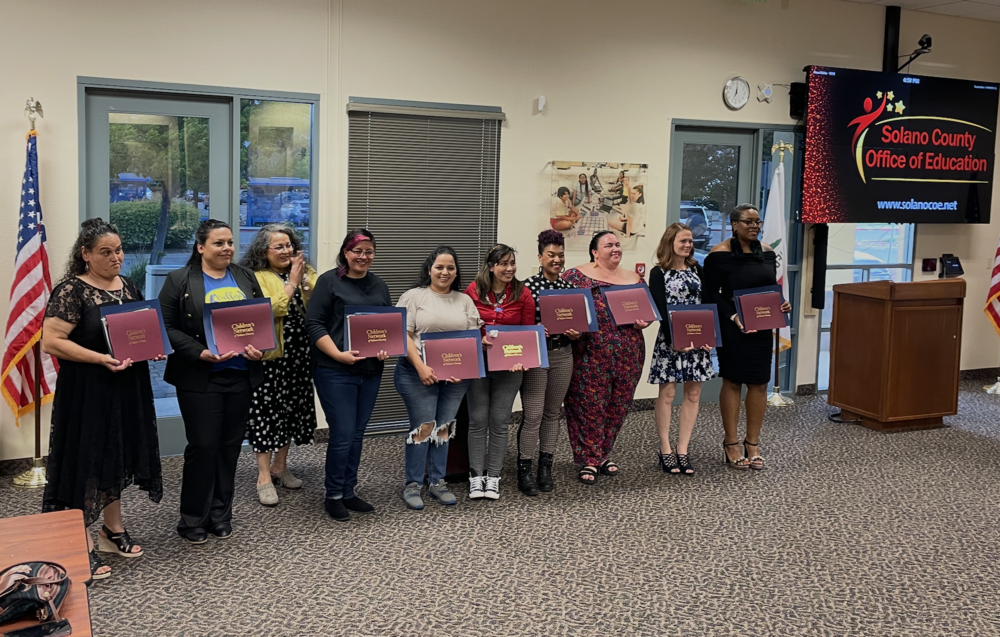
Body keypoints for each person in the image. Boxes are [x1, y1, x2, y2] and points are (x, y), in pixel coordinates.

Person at [41, 218, 162, 581]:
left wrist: (153, 348)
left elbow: (139, 329)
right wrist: (99, 359)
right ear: (86, 255)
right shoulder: (71, 290)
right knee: (86, 460)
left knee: (117, 454)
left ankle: (112, 530)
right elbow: (51, 341)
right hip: (89, 388)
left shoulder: (127, 285)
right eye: (106, 252)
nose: (116, 258)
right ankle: (81, 543)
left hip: (127, 386)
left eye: (119, 250)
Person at [159, 219, 265, 545]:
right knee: (203, 447)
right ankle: (192, 520)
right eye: (219, 243)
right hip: (200, 377)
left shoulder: (245, 276)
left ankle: (221, 515)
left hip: (240, 376)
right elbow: (165, 325)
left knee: (229, 448)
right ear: (200, 247)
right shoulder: (179, 280)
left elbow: (259, 318)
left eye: (230, 242)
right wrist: (199, 351)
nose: (227, 248)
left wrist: (259, 347)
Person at [305, 229, 391, 522]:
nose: (363, 257)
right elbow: (314, 325)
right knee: (342, 434)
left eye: (369, 251)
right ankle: (333, 495)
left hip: (370, 370)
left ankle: (349, 490)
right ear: (345, 252)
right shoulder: (329, 282)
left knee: (356, 434)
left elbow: (386, 326)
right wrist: (338, 354)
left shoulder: (379, 285)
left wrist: (385, 349)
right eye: (357, 251)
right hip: (334, 370)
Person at [703, 204, 792, 470]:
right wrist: (733, 316)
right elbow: (711, 294)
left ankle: (752, 442)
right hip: (733, 326)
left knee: (759, 383)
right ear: (734, 224)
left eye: (758, 222)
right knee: (732, 381)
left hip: (762, 326)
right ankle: (731, 442)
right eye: (748, 222)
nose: (755, 226)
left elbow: (769, 287)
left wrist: (783, 303)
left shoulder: (766, 252)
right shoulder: (718, 255)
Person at [395, 246, 482, 510]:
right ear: (430, 269)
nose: (445, 272)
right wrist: (421, 367)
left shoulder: (464, 300)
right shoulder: (414, 296)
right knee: (423, 428)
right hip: (417, 373)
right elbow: (403, 335)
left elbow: (471, 340)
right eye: (439, 267)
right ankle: (412, 484)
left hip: (455, 378)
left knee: (443, 428)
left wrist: (463, 369)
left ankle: (437, 482)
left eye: (450, 268)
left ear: (456, 272)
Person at [239, 224, 319, 507]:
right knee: (266, 414)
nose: (287, 251)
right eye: (279, 246)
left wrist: (304, 282)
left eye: (289, 245)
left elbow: (319, 306)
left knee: (291, 411)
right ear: (264, 251)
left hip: (300, 356)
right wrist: (293, 283)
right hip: (271, 357)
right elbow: (266, 310)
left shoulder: (305, 272)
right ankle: (263, 476)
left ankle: (280, 467)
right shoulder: (253, 276)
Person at [562, 230, 649, 484]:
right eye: (609, 245)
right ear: (594, 252)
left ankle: (602, 453)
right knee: (588, 406)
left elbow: (645, 311)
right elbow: (564, 309)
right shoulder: (575, 277)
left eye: (618, 244)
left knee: (618, 405)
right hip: (591, 354)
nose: (615, 249)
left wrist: (644, 323)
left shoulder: (634, 278)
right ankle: (588, 458)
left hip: (629, 355)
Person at [463, 244, 535, 500]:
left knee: (500, 421)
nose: (509, 268)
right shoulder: (473, 290)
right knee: (477, 420)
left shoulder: (523, 293)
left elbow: (528, 332)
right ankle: (475, 476)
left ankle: (493, 476)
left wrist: (523, 359)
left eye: (512, 262)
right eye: (503, 263)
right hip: (478, 363)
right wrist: (478, 339)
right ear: (491, 266)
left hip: (509, 366)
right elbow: (465, 325)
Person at [647, 223, 714, 476]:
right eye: (682, 241)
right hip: (671, 341)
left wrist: (710, 334)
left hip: (698, 342)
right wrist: (676, 338)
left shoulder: (698, 268)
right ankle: (665, 449)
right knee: (667, 395)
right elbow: (659, 310)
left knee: (694, 395)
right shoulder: (658, 272)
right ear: (670, 243)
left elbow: (707, 302)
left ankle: (682, 449)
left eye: (690, 241)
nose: (687, 245)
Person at [517, 230, 579, 496]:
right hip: (537, 356)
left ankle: (545, 467)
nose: (556, 260)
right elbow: (518, 325)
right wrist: (533, 328)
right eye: (551, 255)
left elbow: (579, 323)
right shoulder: (527, 288)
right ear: (540, 256)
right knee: (532, 415)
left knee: (553, 413)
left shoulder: (570, 290)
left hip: (563, 354)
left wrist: (577, 332)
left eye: (561, 255)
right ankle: (524, 469)